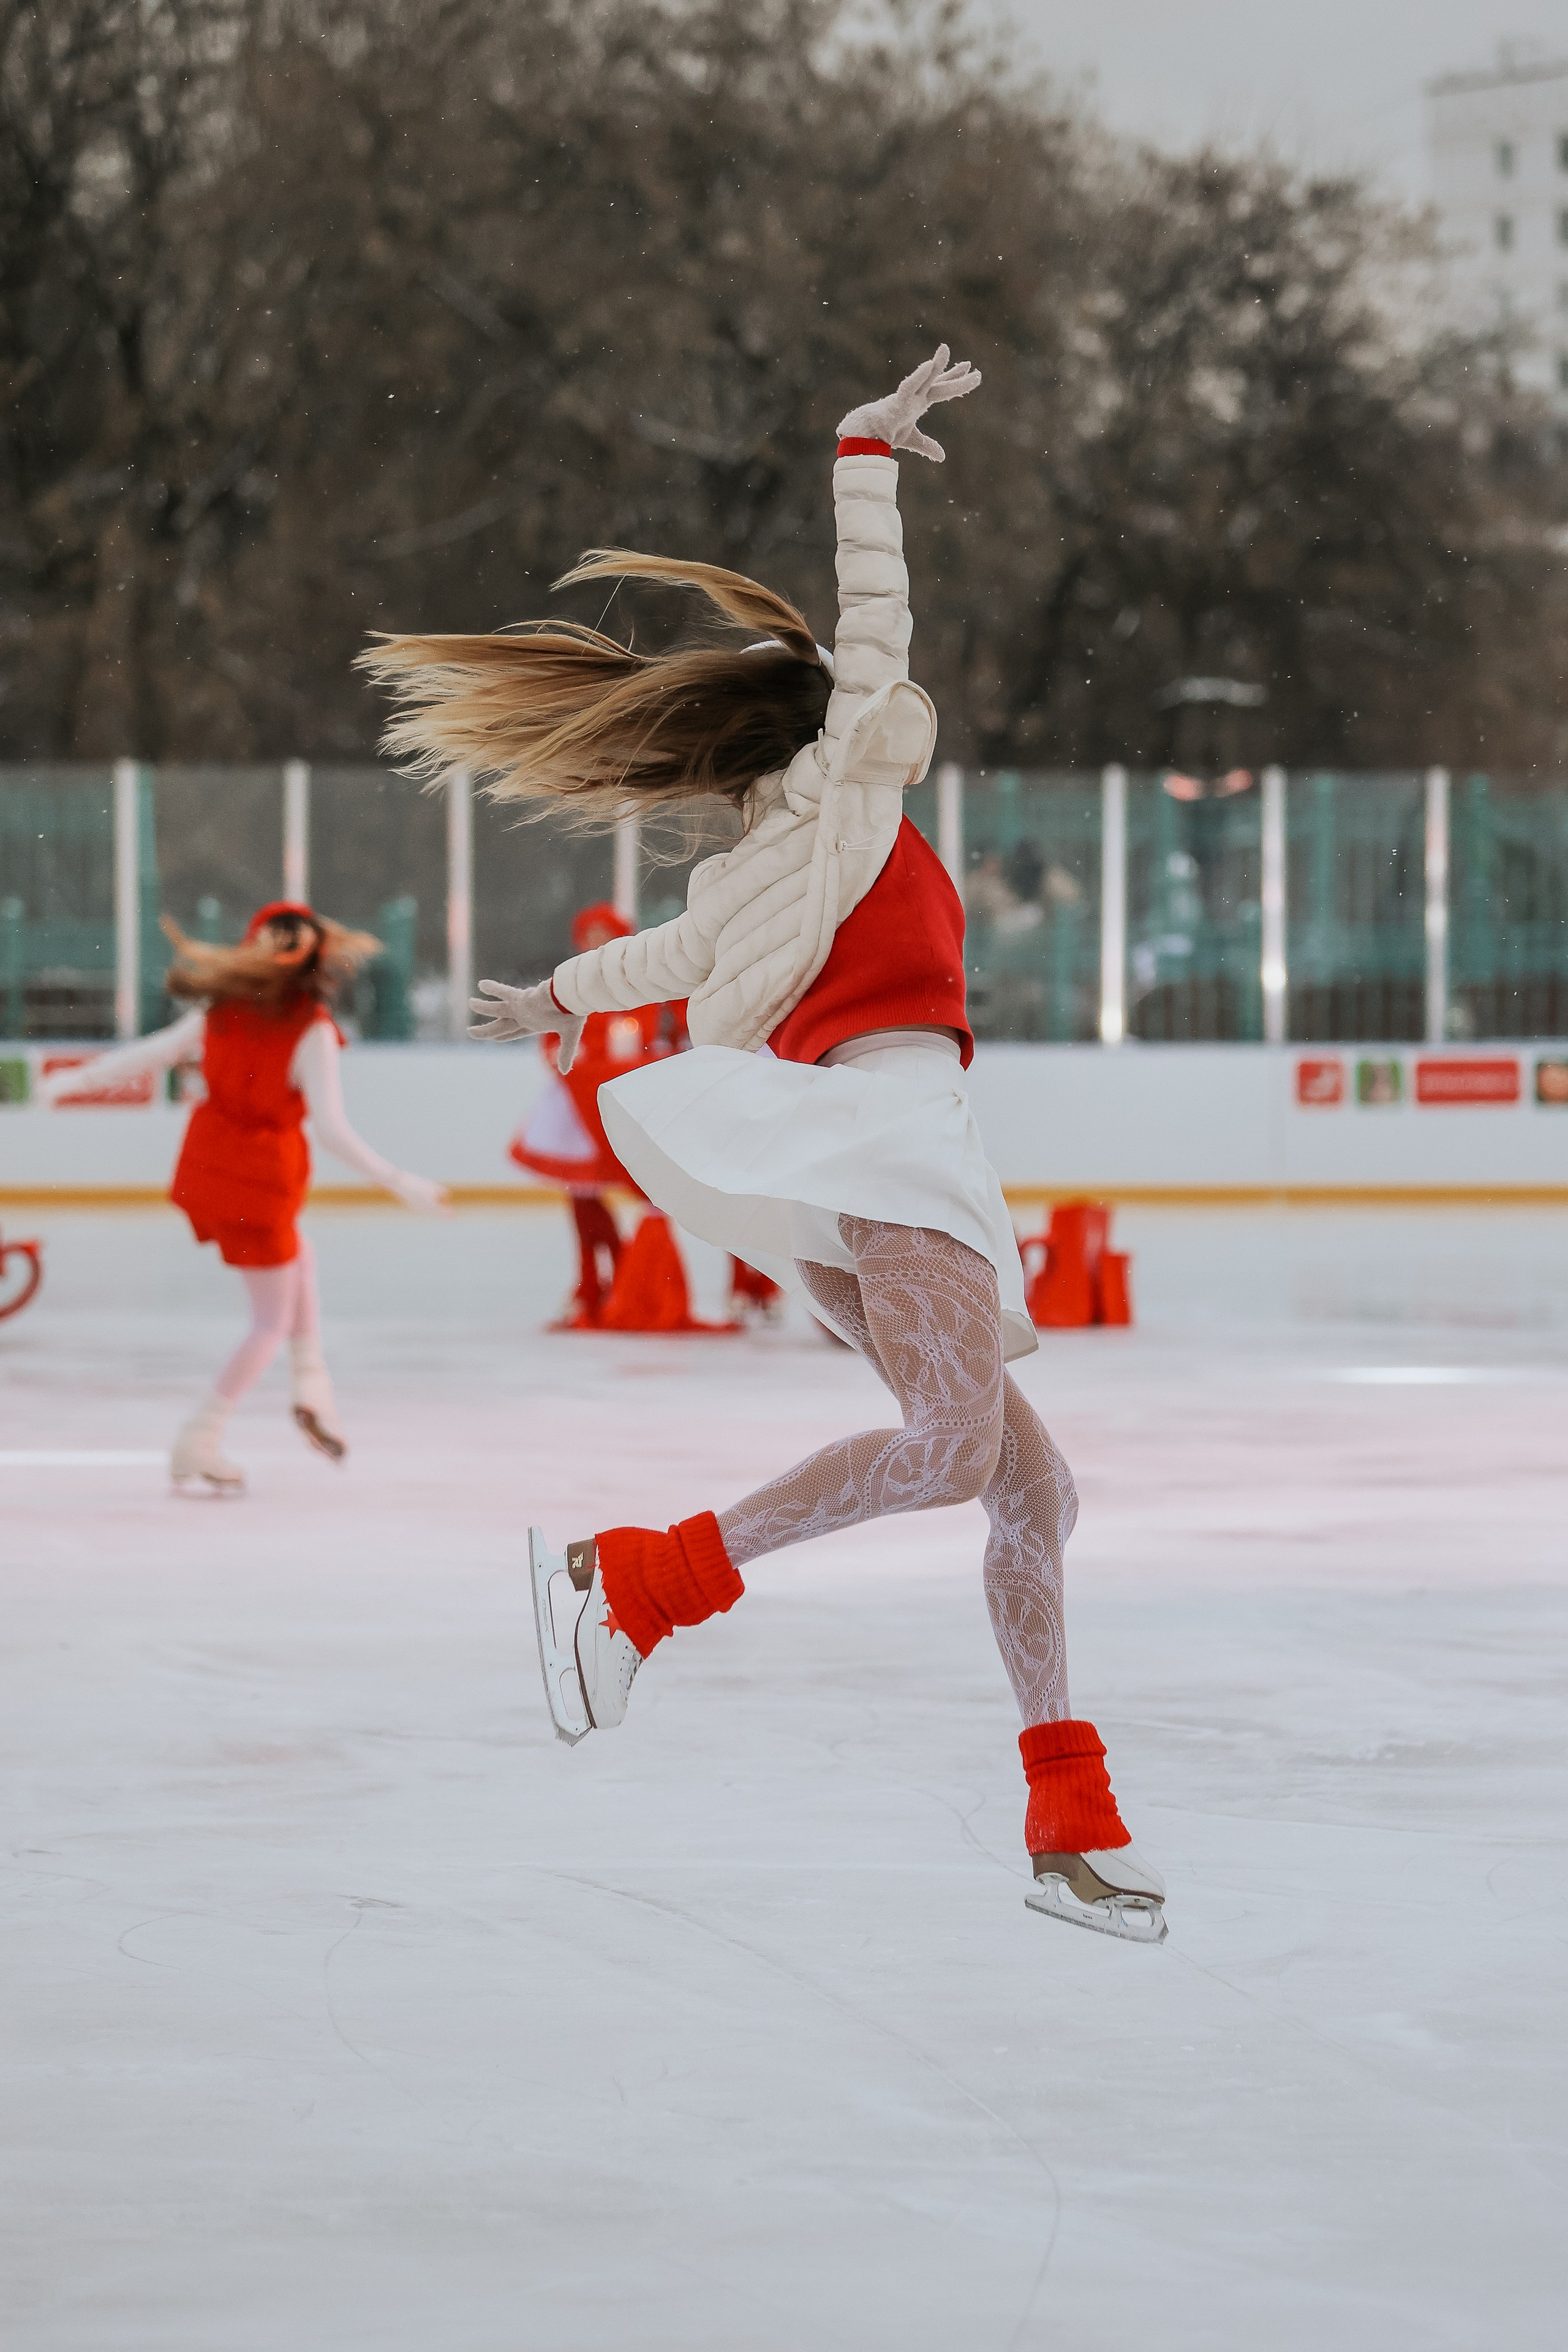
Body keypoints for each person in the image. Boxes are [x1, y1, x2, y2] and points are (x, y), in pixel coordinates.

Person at [362, 348, 1165, 1942]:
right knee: (959, 1454)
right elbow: (881, 617)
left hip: (883, 1142)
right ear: (827, 722)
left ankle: (1068, 1819)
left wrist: (557, 994)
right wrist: (863, 449)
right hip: (882, 1136)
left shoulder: (761, 870)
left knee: (1031, 1491)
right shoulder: (843, 794)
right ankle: (639, 1581)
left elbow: (665, 965)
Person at [38, 902, 448, 1491]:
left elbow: (151, 1055)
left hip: (209, 1167)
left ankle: (311, 1382)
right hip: (259, 1180)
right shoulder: (311, 1029)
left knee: (295, 1256)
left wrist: (73, 1082)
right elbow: (331, 1129)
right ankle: (200, 1437)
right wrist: (400, 1180)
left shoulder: (221, 1010)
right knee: (268, 1322)